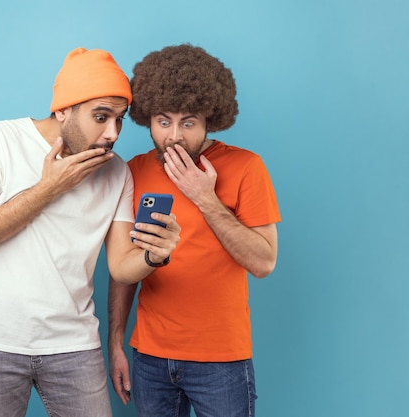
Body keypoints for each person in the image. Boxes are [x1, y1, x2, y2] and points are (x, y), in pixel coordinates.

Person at [0, 47, 180, 417]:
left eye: (119, 120)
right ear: (63, 110)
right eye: (100, 117)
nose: (112, 133)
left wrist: (154, 254)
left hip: (74, 346)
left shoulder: (116, 172)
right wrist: (49, 188)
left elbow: (121, 266)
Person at [108, 44, 281, 417]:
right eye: (163, 120)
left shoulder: (246, 167)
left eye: (188, 122)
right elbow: (124, 267)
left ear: (209, 121)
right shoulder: (134, 171)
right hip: (150, 357)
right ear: (148, 120)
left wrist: (205, 197)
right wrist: (117, 343)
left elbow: (264, 262)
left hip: (221, 361)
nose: (174, 136)